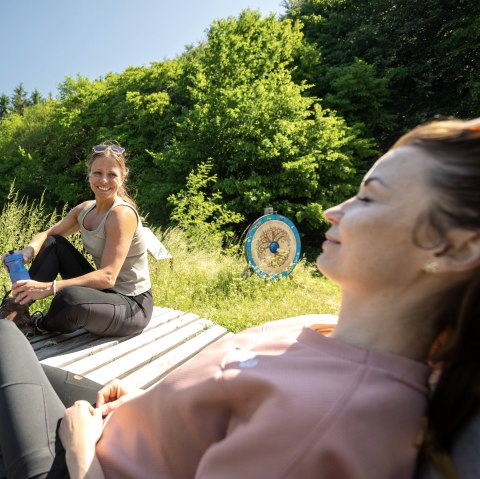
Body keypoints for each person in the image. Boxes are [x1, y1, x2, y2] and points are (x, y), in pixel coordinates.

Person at [1, 117, 479, 478]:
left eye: (370, 197)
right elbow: (225, 403)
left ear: (456, 248)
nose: (333, 211)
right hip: (117, 422)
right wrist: (150, 402)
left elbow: (107, 277)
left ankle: (17, 318)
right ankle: (20, 314)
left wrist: (83, 455)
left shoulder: (330, 421)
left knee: (4, 337)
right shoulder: (310, 323)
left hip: (78, 463)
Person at [0, 143, 153, 337]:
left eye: (112, 174)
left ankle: (38, 325)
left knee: (69, 298)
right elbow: (47, 235)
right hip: (105, 294)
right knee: (53, 244)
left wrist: (49, 288)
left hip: (132, 305)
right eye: (97, 172)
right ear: (89, 175)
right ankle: (16, 309)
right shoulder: (85, 209)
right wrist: (28, 251)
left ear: (122, 178)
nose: (104, 180)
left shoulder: (121, 214)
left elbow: (108, 277)